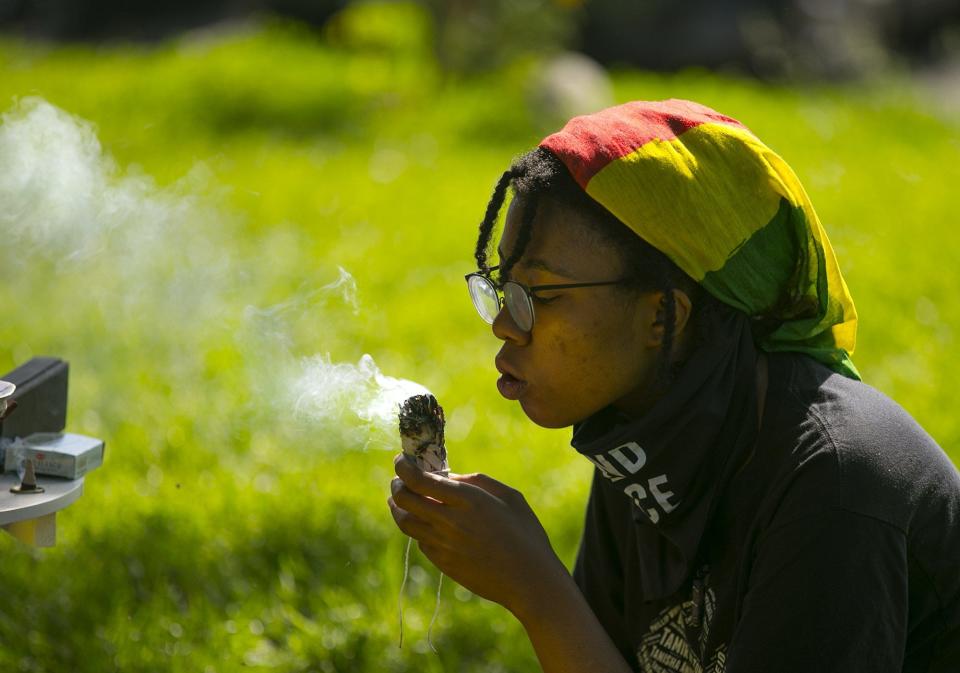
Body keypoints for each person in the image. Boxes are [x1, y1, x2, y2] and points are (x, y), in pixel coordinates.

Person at [387, 99, 960, 672]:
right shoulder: (647, 435)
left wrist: (537, 592)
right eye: (502, 287)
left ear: (663, 317)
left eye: (543, 296)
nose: (504, 324)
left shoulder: (835, 485)